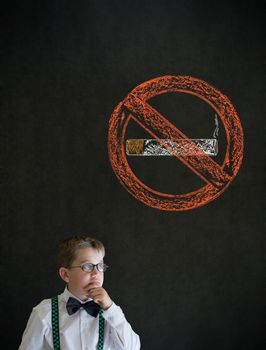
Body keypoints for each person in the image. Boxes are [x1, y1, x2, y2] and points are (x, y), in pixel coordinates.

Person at [18, 235, 141, 350]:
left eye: (100, 266)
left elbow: (132, 347)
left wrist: (110, 308)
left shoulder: (111, 313)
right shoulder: (44, 312)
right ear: (66, 274)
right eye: (87, 266)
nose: (96, 273)